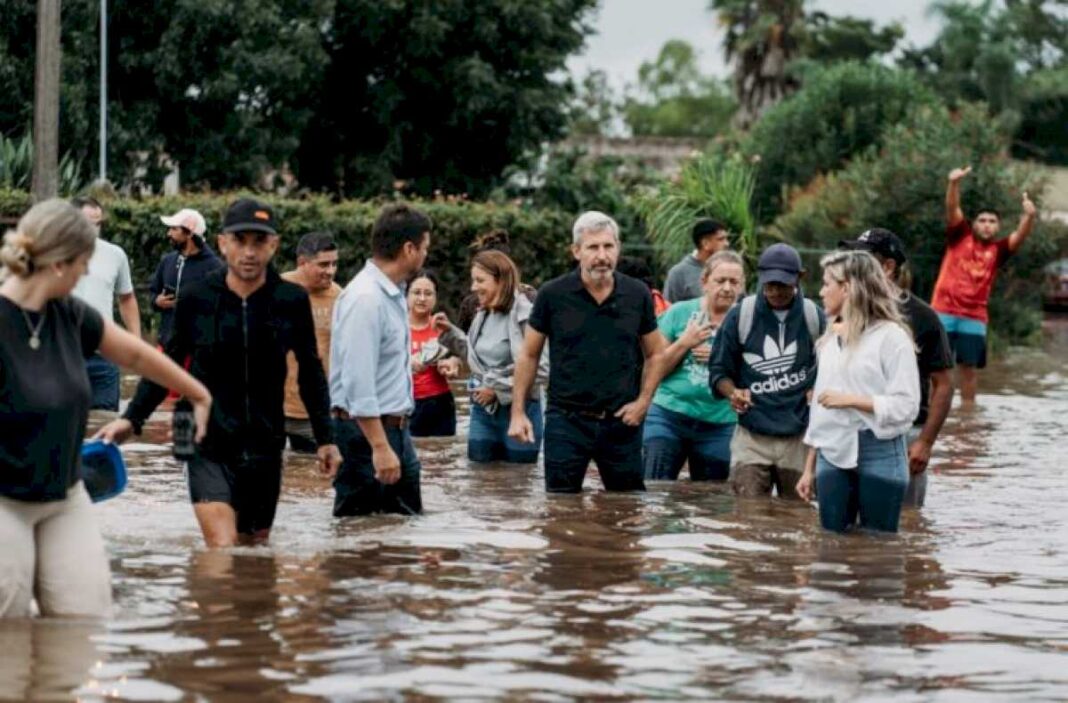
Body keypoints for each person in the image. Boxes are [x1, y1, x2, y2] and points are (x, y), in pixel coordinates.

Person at [0, 199, 210, 618]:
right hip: (5, 500)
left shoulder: (71, 315)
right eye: (84, 264)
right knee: (9, 626)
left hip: (65, 494)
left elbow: (136, 357)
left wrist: (198, 394)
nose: (85, 275)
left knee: (85, 618)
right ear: (61, 264)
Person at [97, 198, 340, 548]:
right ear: (223, 243)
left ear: (273, 246)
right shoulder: (197, 298)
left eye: (259, 242)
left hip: (265, 445)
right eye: (240, 241)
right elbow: (165, 365)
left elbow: (311, 372)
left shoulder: (289, 301)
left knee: (252, 550)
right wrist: (132, 419)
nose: (249, 252)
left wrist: (326, 438)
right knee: (223, 548)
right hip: (204, 441)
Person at [508, 211, 667, 493]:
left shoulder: (637, 294)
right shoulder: (552, 294)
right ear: (576, 251)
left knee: (626, 509)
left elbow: (656, 353)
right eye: (593, 247)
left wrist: (643, 402)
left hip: (622, 422)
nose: (602, 255)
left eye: (608, 246)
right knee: (560, 507)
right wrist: (518, 412)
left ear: (618, 248)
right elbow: (528, 355)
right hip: (565, 420)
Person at [797, 250, 920, 533]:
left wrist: (850, 401)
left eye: (827, 283)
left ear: (847, 288)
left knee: (878, 552)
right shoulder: (828, 340)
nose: (821, 291)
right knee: (830, 547)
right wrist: (808, 468)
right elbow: (820, 408)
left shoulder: (892, 338)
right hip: (831, 450)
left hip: (880, 450)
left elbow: (907, 406)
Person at [839, 228, 954, 508]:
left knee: (905, 523)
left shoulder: (923, 317)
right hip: (853, 430)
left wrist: (925, 442)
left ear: (888, 267)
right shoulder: (846, 309)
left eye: (863, 259)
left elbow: (944, 384)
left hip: (905, 434)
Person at [331, 203, 431, 516]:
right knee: (358, 537)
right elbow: (357, 381)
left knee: (404, 528)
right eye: (425, 248)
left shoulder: (393, 293)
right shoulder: (366, 298)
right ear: (409, 249)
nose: (426, 255)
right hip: (366, 436)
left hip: (396, 429)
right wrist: (379, 447)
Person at [708, 243, 825, 499]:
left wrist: (818, 388)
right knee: (749, 519)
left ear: (799, 278)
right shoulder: (742, 315)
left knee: (796, 520)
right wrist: (733, 392)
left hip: (798, 438)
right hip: (751, 438)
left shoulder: (813, 317)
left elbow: (833, 369)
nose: (774, 291)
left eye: (783, 285)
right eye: (769, 284)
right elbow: (718, 371)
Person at [931, 166, 1036, 406]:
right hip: (943, 311)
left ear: (998, 227)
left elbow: (1020, 236)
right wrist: (953, 183)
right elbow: (952, 208)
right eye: (982, 220)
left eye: (992, 221)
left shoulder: (998, 250)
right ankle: (931, 412)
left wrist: (1029, 217)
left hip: (974, 316)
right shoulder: (959, 236)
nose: (987, 225)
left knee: (969, 370)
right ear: (974, 224)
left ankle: (968, 415)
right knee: (937, 367)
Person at [436, 250, 550, 463]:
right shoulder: (483, 312)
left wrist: (496, 389)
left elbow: (541, 369)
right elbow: (477, 361)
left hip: (522, 409)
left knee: (520, 481)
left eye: (480, 280)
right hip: (483, 410)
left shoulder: (526, 313)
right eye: (473, 280)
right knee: (481, 482)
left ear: (500, 281)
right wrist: (450, 333)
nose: (473, 287)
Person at [644, 251, 744, 481]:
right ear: (704, 282)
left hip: (720, 423)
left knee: (712, 503)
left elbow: (756, 378)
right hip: (669, 415)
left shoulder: (746, 320)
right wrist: (685, 342)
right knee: (653, 493)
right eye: (720, 281)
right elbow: (653, 369)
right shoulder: (679, 312)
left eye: (734, 282)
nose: (727, 288)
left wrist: (721, 359)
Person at [70, 196, 142, 410]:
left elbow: (127, 298)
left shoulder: (115, 254)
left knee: (105, 426)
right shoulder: (50, 254)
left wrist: (135, 341)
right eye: (87, 223)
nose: (94, 229)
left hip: (104, 356)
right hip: (63, 356)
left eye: (98, 223)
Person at [281, 232, 343, 453]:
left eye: (335, 264)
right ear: (302, 262)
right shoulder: (276, 289)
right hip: (270, 408)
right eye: (324, 264)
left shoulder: (340, 298)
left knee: (314, 479)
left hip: (314, 413)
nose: (331, 271)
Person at [148, 207, 223, 346]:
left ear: (189, 233)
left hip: (199, 350)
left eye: (174, 229)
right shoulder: (167, 261)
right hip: (167, 345)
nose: (168, 233)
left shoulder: (215, 267)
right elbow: (153, 292)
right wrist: (157, 301)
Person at [407, 270, 461, 437]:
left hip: (440, 403)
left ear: (436, 297)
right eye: (417, 293)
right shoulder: (396, 327)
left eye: (428, 293)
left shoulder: (443, 327)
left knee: (442, 456)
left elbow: (460, 354)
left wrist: (453, 364)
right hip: (405, 403)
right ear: (406, 295)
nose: (422, 298)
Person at [663, 218, 730, 303]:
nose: (727, 244)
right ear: (705, 243)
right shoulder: (679, 273)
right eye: (721, 239)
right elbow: (668, 310)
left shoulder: (730, 270)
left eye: (726, 239)